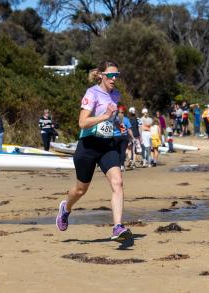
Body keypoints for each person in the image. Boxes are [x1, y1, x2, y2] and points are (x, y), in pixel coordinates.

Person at [56, 61, 132, 242]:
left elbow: (110, 118)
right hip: (88, 145)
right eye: (111, 75)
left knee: (118, 182)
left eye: (117, 75)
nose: (114, 79)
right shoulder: (92, 93)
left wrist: (117, 124)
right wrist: (105, 116)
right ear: (101, 75)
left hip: (107, 145)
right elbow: (82, 122)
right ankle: (66, 209)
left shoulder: (116, 95)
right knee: (81, 190)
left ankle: (117, 227)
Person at [113, 106, 134, 171]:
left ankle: (117, 165)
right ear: (123, 113)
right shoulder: (126, 119)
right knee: (123, 151)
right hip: (124, 137)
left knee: (116, 151)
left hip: (115, 137)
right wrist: (132, 137)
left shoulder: (114, 119)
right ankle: (122, 165)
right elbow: (129, 130)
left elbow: (111, 128)